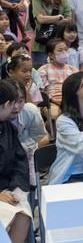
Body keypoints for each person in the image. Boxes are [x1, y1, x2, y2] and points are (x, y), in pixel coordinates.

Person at [0, 80, 32, 243]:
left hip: (8, 187)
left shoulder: (7, 127)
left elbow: (20, 161)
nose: (16, 108)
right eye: (13, 103)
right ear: (6, 104)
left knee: (23, 214)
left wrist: (17, 188)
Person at [31, 0, 72, 66]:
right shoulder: (37, 0)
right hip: (41, 43)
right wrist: (59, 17)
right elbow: (41, 19)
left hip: (58, 43)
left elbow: (69, 19)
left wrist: (49, 18)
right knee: (40, 70)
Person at [38, 39, 80, 119]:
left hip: (71, 102)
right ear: (51, 55)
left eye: (66, 50)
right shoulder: (43, 70)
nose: (64, 52)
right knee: (56, 115)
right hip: (50, 103)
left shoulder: (73, 70)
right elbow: (41, 91)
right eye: (60, 50)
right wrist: (54, 101)